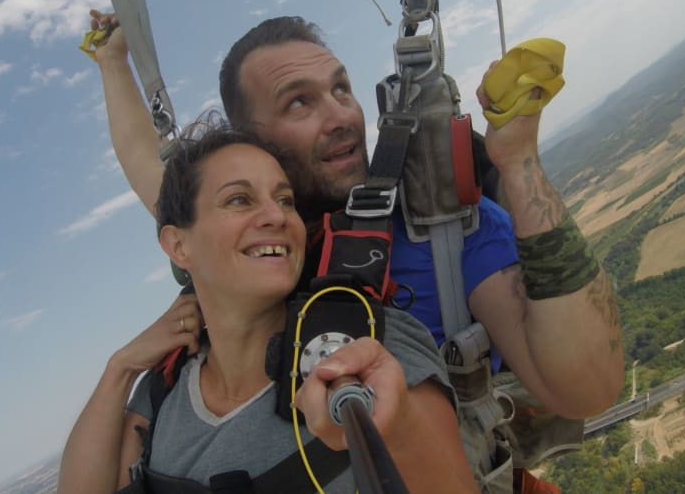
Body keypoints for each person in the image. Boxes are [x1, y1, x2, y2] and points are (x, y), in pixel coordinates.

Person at [90, 11, 623, 421]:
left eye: (341, 89)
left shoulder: (441, 225)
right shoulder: (239, 246)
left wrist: (519, 164)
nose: (341, 116)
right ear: (253, 143)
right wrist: (113, 62)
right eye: (299, 103)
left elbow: (585, 389)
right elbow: (150, 169)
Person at [58, 122, 477, 493]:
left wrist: (396, 430)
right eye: (239, 199)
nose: (276, 215)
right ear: (178, 246)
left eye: (286, 200)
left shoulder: (368, 345)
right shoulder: (164, 389)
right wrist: (121, 368)